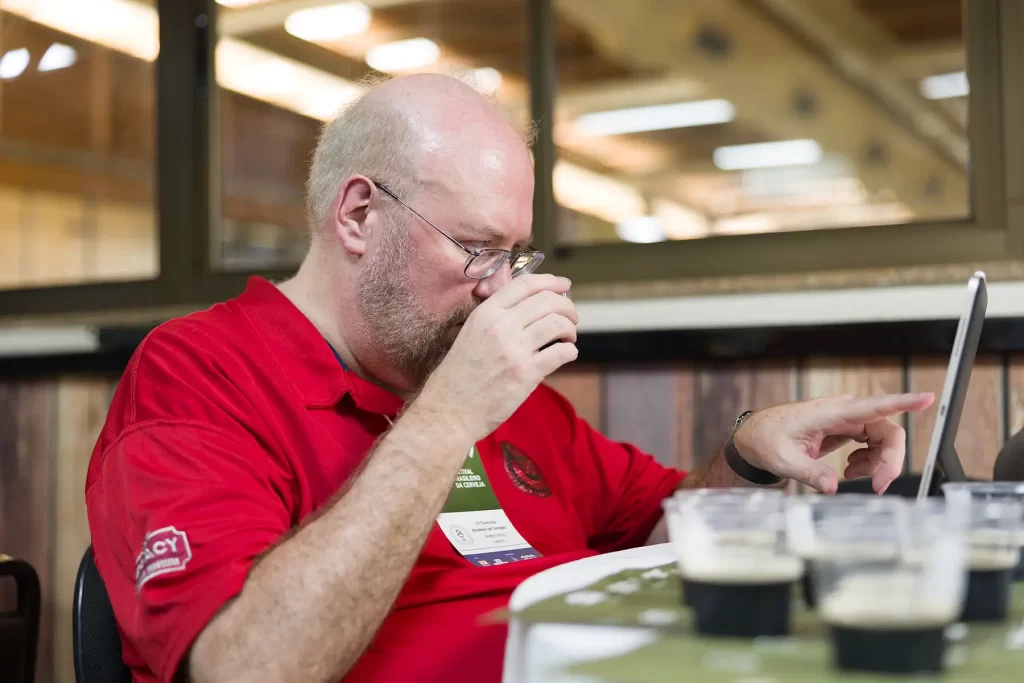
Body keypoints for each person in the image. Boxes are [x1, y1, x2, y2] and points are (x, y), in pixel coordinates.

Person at [84, 73, 934, 683]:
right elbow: (247, 666)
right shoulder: (199, 377)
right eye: (477, 248)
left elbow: (653, 538)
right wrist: (447, 417)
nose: (499, 286)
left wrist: (746, 454)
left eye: (513, 254)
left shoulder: (482, 380)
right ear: (357, 214)